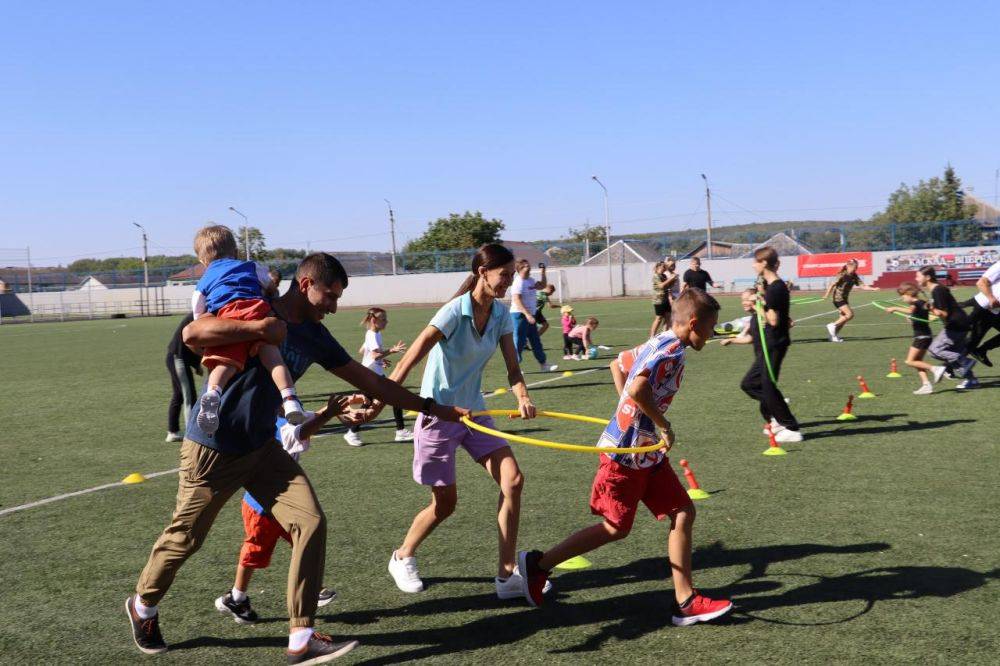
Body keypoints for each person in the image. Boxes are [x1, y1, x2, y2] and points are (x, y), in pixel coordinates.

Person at [125, 252, 468, 664]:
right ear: (305, 284)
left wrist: (430, 407)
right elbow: (193, 334)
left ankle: (301, 636)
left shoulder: (316, 336)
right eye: (330, 295)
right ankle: (143, 606)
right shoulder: (258, 305)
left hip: (263, 448)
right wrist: (260, 328)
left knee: (309, 521)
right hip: (213, 447)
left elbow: (371, 381)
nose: (334, 306)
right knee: (186, 538)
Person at [516, 289, 734, 627]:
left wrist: (629, 412)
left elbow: (618, 364)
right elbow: (637, 388)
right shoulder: (672, 351)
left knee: (682, 512)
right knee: (616, 528)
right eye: (711, 326)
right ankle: (538, 564)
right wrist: (662, 425)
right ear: (693, 323)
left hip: (643, 452)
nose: (712, 332)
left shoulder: (658, 340)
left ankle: (685, 601)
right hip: (625, 455)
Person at [374, 243, 550, 601]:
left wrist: (523, 396)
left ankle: (505, 577)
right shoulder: (454, 311)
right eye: (504, 276)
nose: (508, 283)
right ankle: (402, 555)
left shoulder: (500, 314)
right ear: (482, 273)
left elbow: (513, 368)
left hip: (476, 413)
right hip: (438, 415)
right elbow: (413, 353)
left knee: (513, 480)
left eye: (511, 276)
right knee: (445, 504)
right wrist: (383, 395)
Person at [215, 394, 350, 624]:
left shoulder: (288, 413)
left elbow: (308, 419)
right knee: (254, 551)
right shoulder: (275, 427)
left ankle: (312, 589)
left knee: (305, 540)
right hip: (262, 507)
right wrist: (329, 414)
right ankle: (236, 597)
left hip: (285, 501)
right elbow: (299, 434)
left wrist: (338, 408)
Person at [190, 225, 304, 434]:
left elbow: (198, 310)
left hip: (229, 320)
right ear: (235, 252)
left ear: (202, 261)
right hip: (257, 314)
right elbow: (269, 285)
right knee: (274, 360)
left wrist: (208, 319)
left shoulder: (204, 279)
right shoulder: (250, 266)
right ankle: (290, 400)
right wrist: (270, 291)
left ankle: (213, 394)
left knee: (225, 365)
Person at [740, 248, 803, 443]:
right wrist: (760, 298)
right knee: (750, 384)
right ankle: (777, 410)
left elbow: (773, 320)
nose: (753, 265)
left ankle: (791, 427)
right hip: (769, 343)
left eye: (755, 261)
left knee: (767, 385)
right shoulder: (770, 286)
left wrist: (758, 303)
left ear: (764, 263)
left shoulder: (776, 288)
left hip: (775, 343)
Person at [343, 307, 413, 447]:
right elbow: (374, 355)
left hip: (372, 375)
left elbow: (362, 351)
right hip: (370, 377)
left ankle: (353, 432)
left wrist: (380, 361)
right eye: (384, 319)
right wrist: (391, 351)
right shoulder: (372, 335)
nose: (387, 321)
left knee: (375, 402)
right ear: (374, 320)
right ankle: (399, 431)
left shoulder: (374, 334)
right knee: (391, 398)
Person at [916, 266, 979, 389]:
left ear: (927, 277)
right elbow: (941, 313)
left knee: (934, 350)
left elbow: (943, 313)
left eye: (918, 276)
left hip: (956, 325)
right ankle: (972, 380)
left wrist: (930, 308)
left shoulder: (937, 290)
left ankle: (965, 362)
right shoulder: (936, 290)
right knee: (951, 355)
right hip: (960, 324)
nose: (916, 278)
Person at [882, 282, 945, 395]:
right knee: (917, 361)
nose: (902, 299)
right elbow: (919, 316)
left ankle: (935, 369)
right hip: (925, 336)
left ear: (909, 294)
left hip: (921, 337)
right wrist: (911, 319)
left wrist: (894, 308)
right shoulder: (919, 304)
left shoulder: (917, 303)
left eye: (903, 296)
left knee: (909, 361)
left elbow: (911, 311)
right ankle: (926, 385)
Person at [509, 259, 558, 372]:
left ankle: (543, 364)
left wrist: (543, 272)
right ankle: (513, 368)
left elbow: (542, 285)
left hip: (530, 315)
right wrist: (527, 314)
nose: (529, 266)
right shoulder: (518, 282)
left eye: (529, 264)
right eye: (526, 265)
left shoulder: (530, 280)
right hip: (519, 315)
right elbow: (517, 300)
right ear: (520, 268)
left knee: (535, 340)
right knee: (519, 342)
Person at [166, 313, 202, 442]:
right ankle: (192, 435)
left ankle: (173, 431)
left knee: (179, 395)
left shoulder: (199, 315)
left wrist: (197, 365)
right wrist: (200, 361)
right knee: (190, 396)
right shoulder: (199, 316)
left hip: (176, 357)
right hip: (178, 359)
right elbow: (192, 343)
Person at [823, 259, 879, 342]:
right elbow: (832, 284)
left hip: (844, 299)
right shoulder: (842, 274)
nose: (855, 269)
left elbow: (862, 286)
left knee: (843, 319)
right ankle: (832, 325)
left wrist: (873, 289)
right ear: (848, 266)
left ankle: (833, 336)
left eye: (856, 267)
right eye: (854, 267)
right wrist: (826, 295)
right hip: (838, 298)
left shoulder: (854, 276)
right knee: (850, 314)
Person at [964, 260, 1000, 367]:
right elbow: (981, 282)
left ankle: (981, 350)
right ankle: (948, 367)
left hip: (995, 312)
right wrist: (991, 298)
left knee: (972, 341)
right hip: (983, 307)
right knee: (972, 341)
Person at [650, 259, 680, 338]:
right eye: (662, 267)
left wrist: (674, 280)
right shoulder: (655, 276)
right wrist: (671, 278)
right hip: (658, 300)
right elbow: (661, 286)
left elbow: (667, 286)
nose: (663, 269)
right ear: (657, 267)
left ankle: (664, 335)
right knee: (659, 318)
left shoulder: (664, 276)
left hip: (665, 299)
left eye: (664, 267)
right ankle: (652, 336)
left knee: (668, 317)